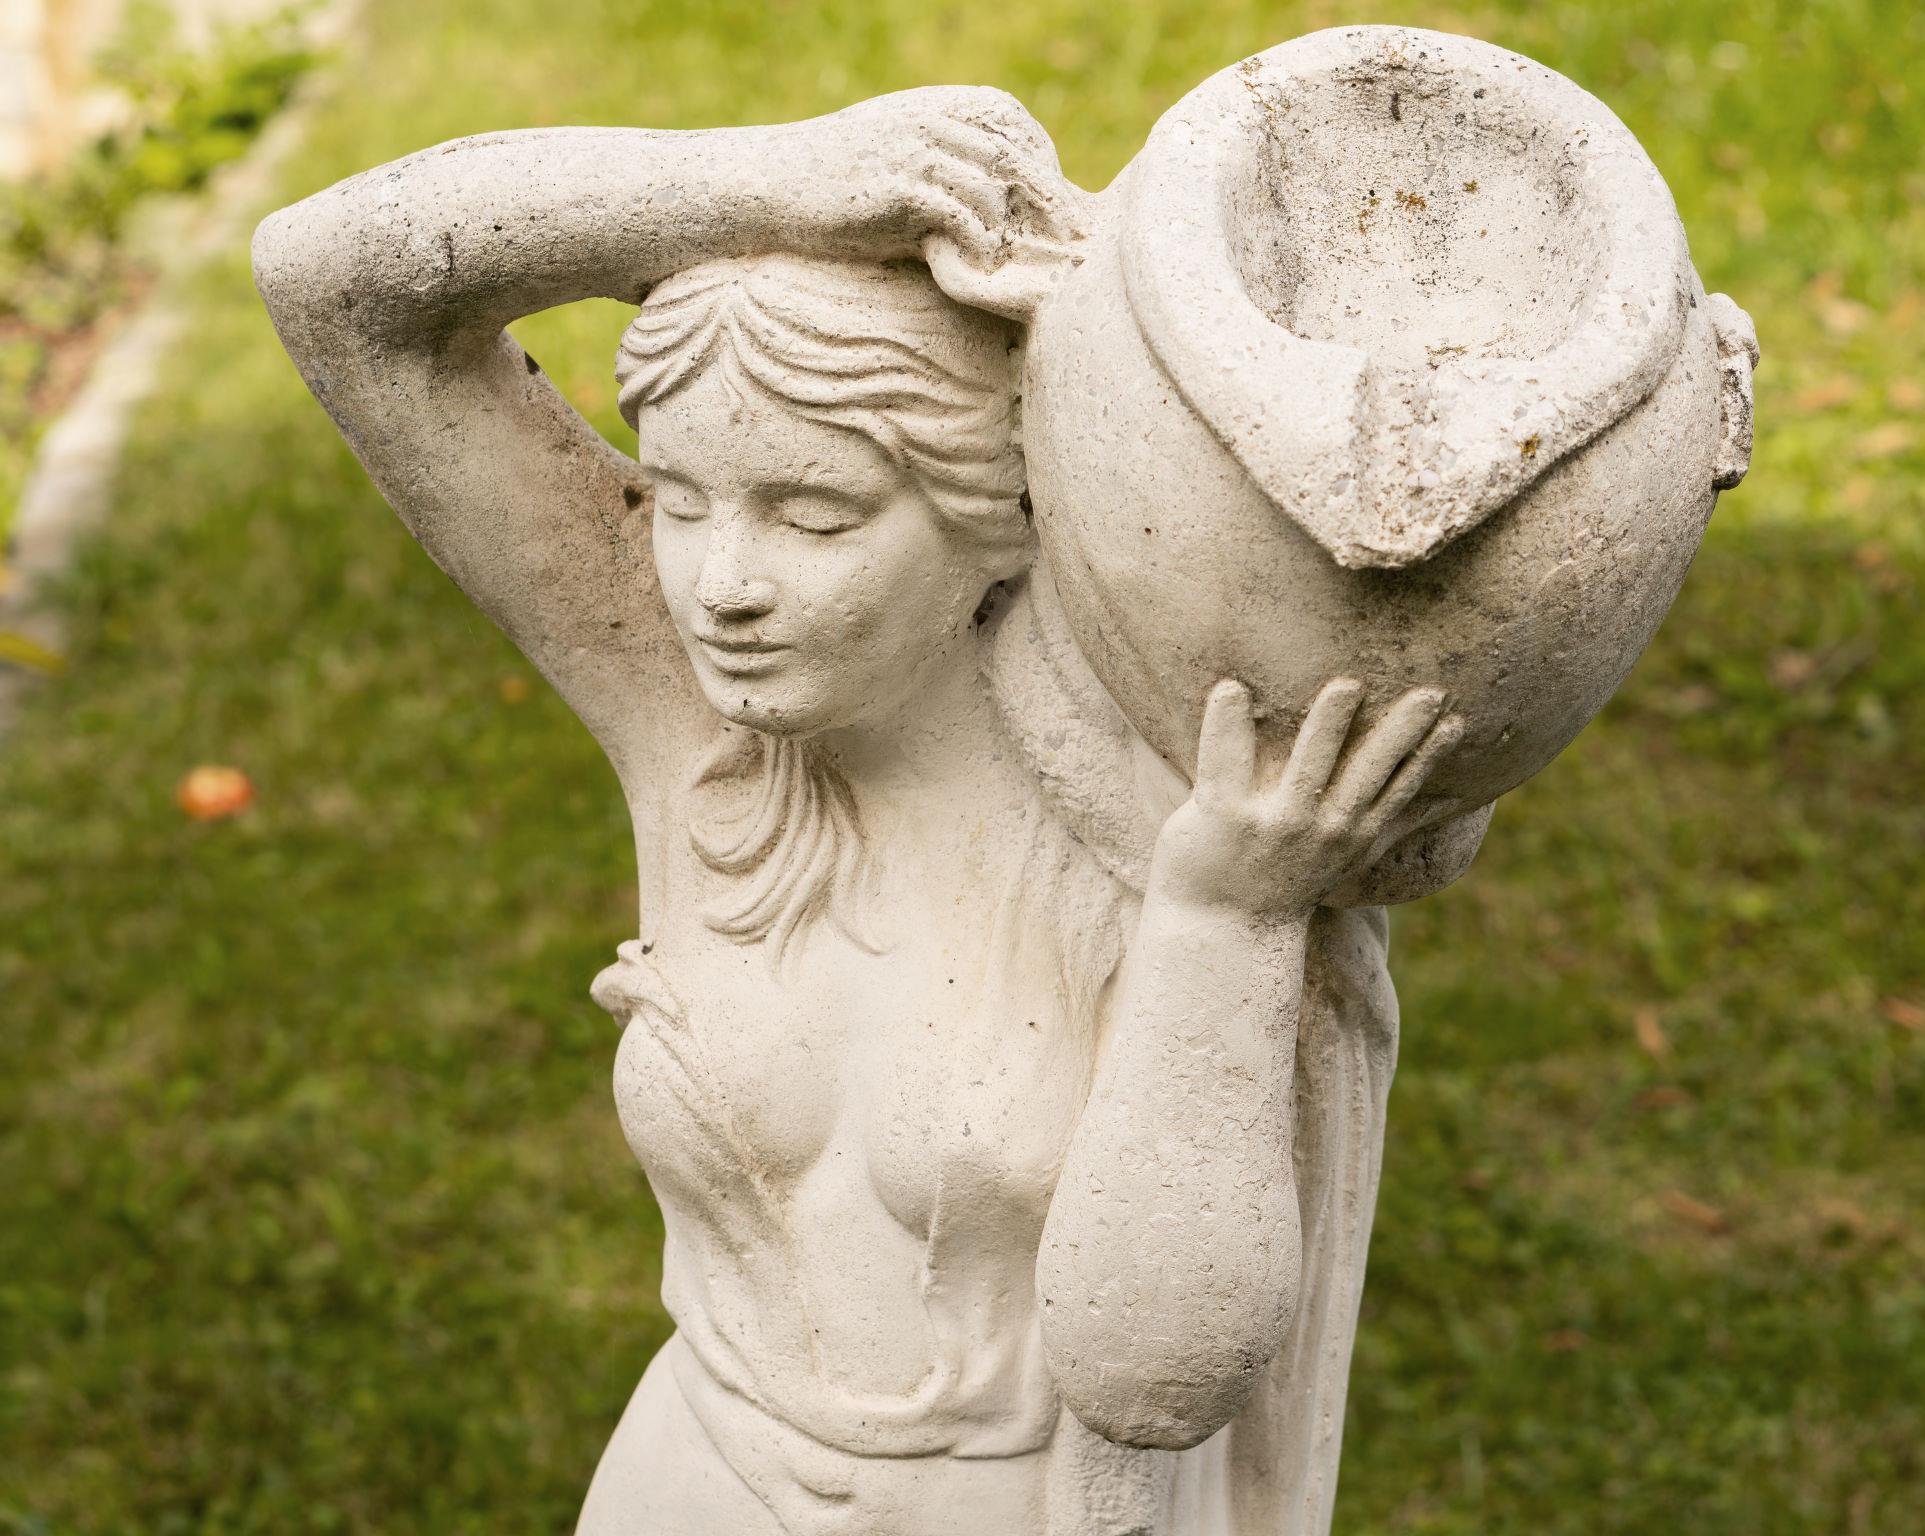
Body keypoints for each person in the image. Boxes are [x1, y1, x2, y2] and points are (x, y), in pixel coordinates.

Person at [253, 88, 1461, 1535]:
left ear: (1001, 512)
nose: (722, 587)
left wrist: (1229, 922)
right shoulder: (698, 736)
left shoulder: (1180, 806)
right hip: (682, 1486)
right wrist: (770, 181)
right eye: (681, 501)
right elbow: (334, 285)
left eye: (817, 516)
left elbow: (1155, 1375)